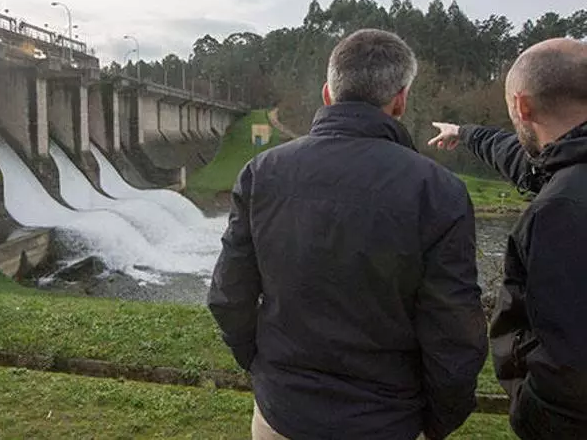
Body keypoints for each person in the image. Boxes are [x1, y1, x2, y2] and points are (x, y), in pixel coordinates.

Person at [208, 28, 488, 440]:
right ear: (400, 100)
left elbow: (228, 295)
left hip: (282, 414)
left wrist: (265, 370)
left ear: (328, 93)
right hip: (388, 420)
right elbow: (455, 331)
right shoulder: (438, 190)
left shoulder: (262, 173)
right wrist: (438, 420)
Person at [428, 37, 587, 439]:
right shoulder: (569, 170)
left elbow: (569, 370)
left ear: (521, 106)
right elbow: (533, 163)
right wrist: (466, 133)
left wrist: (528, 411)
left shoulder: (562, 210)